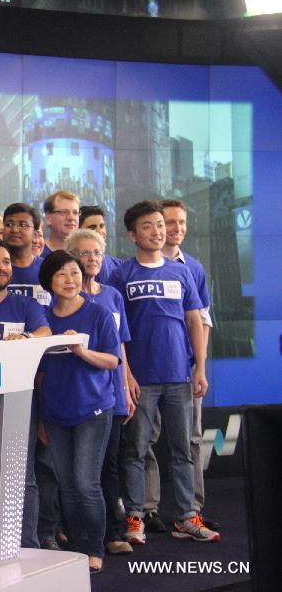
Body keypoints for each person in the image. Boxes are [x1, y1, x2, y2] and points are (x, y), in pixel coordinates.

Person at [107, 201, 217, 544]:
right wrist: (127, 375)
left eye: (160, 225)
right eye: (148, 226)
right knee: (136, 450)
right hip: (142, 380)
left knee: (184, 449)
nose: (157, 231)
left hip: (179, 377)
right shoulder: (120, 275)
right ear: (132, 234)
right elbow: (116, 331)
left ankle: (186, 517)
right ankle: (136, 516)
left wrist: (199, 367)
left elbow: (195, 321)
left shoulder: (182, 272)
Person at [38, 250, 121, 573]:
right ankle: (76, 546)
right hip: (56, 412)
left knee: (87, 483)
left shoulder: (98, 314)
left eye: (74, 273)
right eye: (61, 275)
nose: (70, 280)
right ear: (49, 282)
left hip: (94, 409)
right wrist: (43, 416)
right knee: (67, 485)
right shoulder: (44, 319)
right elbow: (41, 372)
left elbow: (113, 361)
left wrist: (81, 351)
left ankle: (93, 547)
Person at [139, 199, 218, 533]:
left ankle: (191, 510)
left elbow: (201, 320)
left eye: (181, 222)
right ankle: (147, 508)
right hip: (147, 372)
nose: (174, 229)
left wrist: (200, 366)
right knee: (143, 442)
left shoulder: (193, 268)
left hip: (184, 372)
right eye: (167, 222)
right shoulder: (135, 267)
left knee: (190, 440)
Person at [0, 238, 50, 550]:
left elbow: (45, 332)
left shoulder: (25, 305)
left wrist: (26, 337)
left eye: (5, 261)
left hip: (19, 403)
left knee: (24, 477)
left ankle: (28, 545)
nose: (2, 267)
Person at [66, 229, 135, 556]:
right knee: (77, 476)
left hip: (113, 394)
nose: (91, 259)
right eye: (83, 253)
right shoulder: (62, 299)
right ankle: (78, 536)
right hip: (75, 397)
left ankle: (113, 533)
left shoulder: (112, 296)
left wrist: (128, 381)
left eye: (96, 253)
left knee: (108, 467)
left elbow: (120, 345)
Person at [2, 203, 50, 306]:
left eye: (23, 225)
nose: (14, 230)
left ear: (35, 234)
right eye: (9, 224)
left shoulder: (48, 269)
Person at [80, 205, 122, 284]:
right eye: (92, 227)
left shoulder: (119, 266)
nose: (99, 231)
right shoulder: (71, 265)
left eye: (102, 226)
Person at [42, 191, 80, 257]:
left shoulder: (84, 255)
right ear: (49, 218)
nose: (71, 218)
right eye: (64, 212)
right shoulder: (38, 254)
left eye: (75, 213)